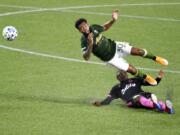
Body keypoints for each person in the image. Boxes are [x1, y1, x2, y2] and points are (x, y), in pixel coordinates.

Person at [75, 10, 168, 85]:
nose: (84, 28)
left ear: (87, 24)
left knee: (138, 51)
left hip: (115, 46)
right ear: (79, 31)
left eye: (85, 25)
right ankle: (147, 77)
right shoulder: (84, 41)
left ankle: (156, 58)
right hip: (110, 59)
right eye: (81, 28)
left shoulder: (94, 27)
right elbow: (86, 58)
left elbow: (104, 27)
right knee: (131, 70)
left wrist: (113, 20)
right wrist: (90, 44)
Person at [92, 70, 174, 114]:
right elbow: (108, 100)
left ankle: (166, 109)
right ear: (118, 78)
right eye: (120, 75)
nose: (122, 75)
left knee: (151, 95)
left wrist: (159, 77)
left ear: (126, 74)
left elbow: (153, 83)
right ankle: (158, 105)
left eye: (123, 73)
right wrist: (100, 103)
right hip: (132, 101)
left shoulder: (136, 80)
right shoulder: (116, 88)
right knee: (140, 99)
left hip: (144, 96)